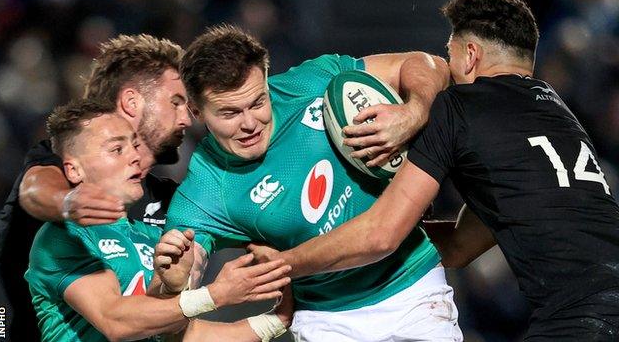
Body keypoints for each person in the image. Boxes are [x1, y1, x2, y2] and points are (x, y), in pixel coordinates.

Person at [251, 0, 619, 340]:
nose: (448, 68)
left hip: (582, 316)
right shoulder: (560, 116)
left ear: (471, 55)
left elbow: (382, 234)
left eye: (450, 54)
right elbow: (460, 246)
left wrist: (283, 263)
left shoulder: (458, 106)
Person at [167, 24, 460, 341]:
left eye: (257, 102)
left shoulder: (312, 83)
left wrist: (414, 111)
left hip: (413, 290)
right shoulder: (204, 191)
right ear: (196, 111)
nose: (250, 123)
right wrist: (176, 277)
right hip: (327, 321)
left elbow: (424, 64)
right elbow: (181, 276)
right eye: (229, 113)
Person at [25, 98, 293, 342]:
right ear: (74, 170)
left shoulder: (154, 236)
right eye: (117, 149)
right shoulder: (63, 237)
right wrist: (217, 294)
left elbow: (181, 333)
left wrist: (272, 322)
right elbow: (114, 321)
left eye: (134, 145)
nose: (135, 157)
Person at [0, 34, 191, 341]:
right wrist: (68, 201)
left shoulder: (162, 197)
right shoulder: (68, 158)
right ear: (132, 102)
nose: (186, 119)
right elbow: (35, 188)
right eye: (176, 102)